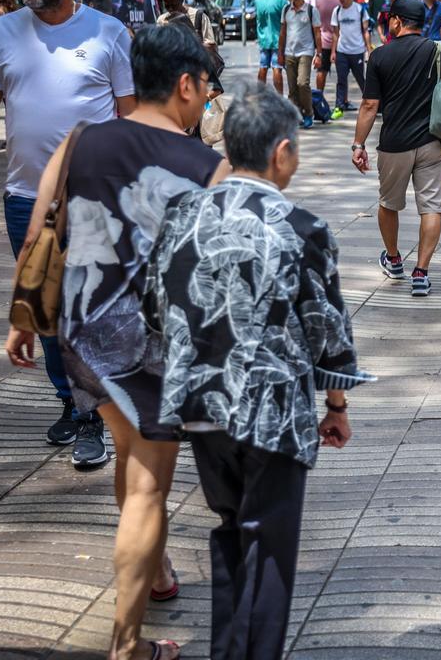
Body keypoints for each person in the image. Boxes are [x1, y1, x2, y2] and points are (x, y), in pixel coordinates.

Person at [5, 24, 227, 660]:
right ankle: (127, 648)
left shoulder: (81, 140)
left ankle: (153, 574)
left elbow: (40, 231)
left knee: (128, 455)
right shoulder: (207, 167)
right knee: (151, 483)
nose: (205, 100)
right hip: (151, 343)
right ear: (185, 84)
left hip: (80, 328)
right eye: (205, 88)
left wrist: (20, 319)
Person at [146, 82, 372, 659]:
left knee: (230, 532)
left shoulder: (181, 215)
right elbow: (326, 327)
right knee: (269, 549)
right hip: (272, 413)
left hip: (200, 410)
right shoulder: (302, 227)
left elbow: (156, 304)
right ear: (280, 152)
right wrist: (337, 405)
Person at [0, 0, 135, 467]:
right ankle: (71, 403)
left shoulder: (108, 33)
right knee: (45, 310)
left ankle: (94, 414)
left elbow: (130, 116)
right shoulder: (4, 33)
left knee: (89, 312)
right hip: (24, 198)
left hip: (95, 198)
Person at [350, 0, 441, 297]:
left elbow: (369, 105)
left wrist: (358, 144)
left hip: (394, 145)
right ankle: (421, 272)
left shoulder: (379, 56)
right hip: (433, 142)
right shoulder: (439, 51)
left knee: (389, 203)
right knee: (431, 208)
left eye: (390, 18)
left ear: (397, 22)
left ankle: (393, 260)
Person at [278, 0, 322, 129]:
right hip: (289, 52)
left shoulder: (311, 10)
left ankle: (308, 113)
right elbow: (282, 33)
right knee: (292, 89)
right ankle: (295, 116)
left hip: (306, 51)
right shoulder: (286, 10)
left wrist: (319, 54)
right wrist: (280, 53)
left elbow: (317, 33)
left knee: (302, 83)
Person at [329, 0, 370, 117]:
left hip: (357, 50)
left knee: (360, 79)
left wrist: (368, 50)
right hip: (342, 51)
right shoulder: (337, 11)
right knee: (341, 80)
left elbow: (365, 31)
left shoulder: (360, 10)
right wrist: (333, 52)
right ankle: (339, 107)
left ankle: (372, 103)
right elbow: (335, 33)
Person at [254, 0, 287, 95]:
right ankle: (279, 96)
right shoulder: (281, 0)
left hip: (263, 40)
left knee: (263, 66)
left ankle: (260, 94)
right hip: (278, 40)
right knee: (277, 68)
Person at [314, 0, 341, 93]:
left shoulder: (318, 0)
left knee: (321, 71)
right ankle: (342, 99)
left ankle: (319, 95)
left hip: (323, 40)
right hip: (339, 41)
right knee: (342, 72)